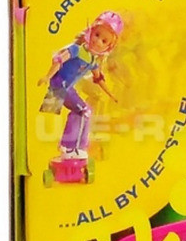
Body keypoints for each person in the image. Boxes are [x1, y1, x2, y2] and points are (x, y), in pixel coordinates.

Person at [39, 12, 123, 160]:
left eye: (104, 41)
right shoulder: (76, 50)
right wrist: (48, 76)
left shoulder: (92, 61)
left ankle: (76, 147)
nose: (98, 42)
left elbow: (99, 79)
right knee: (84, 111)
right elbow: (59, 60)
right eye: (97, 35)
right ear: (90, 31)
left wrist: (111, 95)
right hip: (60, 85)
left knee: (84, 112)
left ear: (108, 47)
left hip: (66, 87)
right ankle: (70, 147)